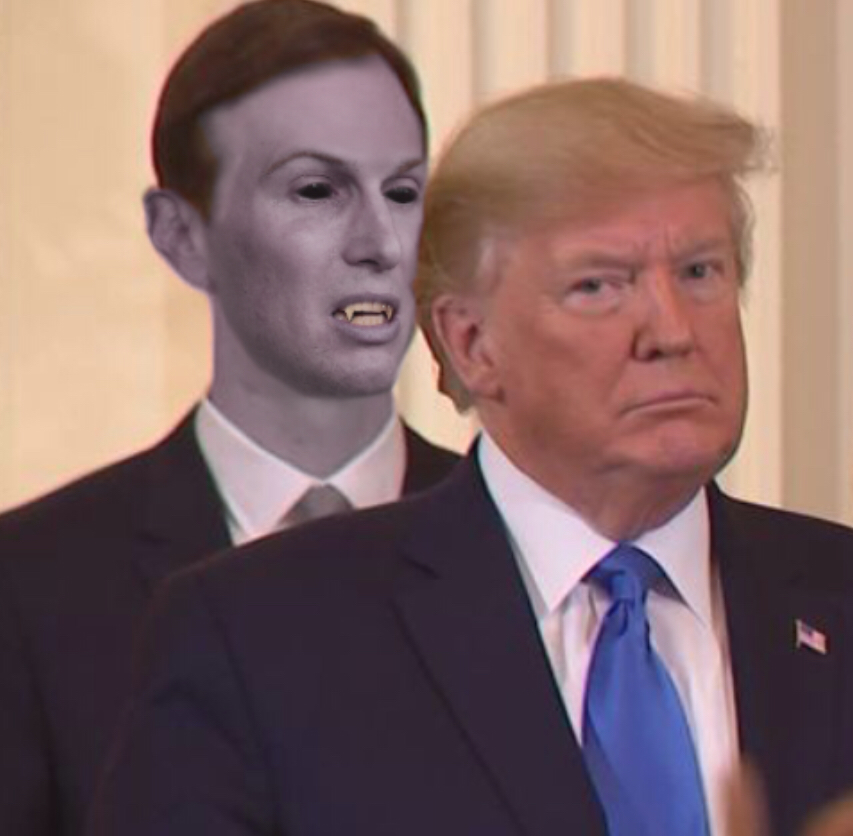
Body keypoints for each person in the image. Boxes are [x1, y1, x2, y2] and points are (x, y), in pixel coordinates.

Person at [87, 78, 853, 836]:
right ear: (470, 343)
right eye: (597, 285)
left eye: (699, 272)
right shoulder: (259, 637)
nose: (672, 331)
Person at [0, 2, 459, 835]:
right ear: (181, 235)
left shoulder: (525, 539)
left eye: (402, 191)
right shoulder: (30, 587)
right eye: (317, 190)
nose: (381, 243)